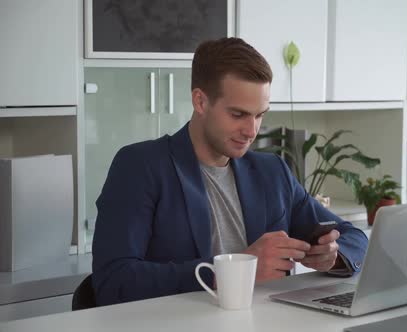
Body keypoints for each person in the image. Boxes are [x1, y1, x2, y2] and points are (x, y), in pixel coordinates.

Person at [92, 37, 368, 306]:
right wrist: (230, 272)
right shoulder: (140, 166)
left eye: (260, 115)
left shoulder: (272, 172)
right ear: (200, 102)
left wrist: (332, 254)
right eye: (238, 115)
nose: (251, 131)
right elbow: (114, 281)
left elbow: (353, 237)